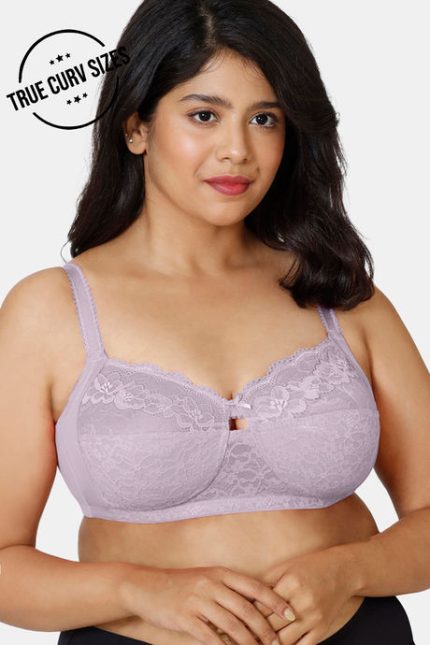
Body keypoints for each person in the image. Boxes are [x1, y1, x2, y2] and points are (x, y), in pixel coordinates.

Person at [0, 0, 427, 643]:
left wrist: (349, 571)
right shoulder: (50, 310)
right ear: (136, 126)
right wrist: (138, 588)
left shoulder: (340, 294)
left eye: (264, 119)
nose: (238, 151)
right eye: (204, 115)